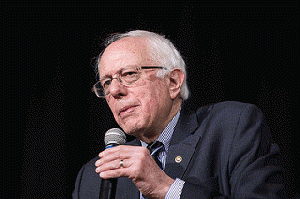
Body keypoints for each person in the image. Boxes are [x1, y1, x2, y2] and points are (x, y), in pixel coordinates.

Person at [73, 30, 285, 198]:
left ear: (173, 82)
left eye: (129, 74)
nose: (114, 91)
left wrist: (166, 189)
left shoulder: (232, 127)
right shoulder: (94, 177)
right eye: (107, 82)